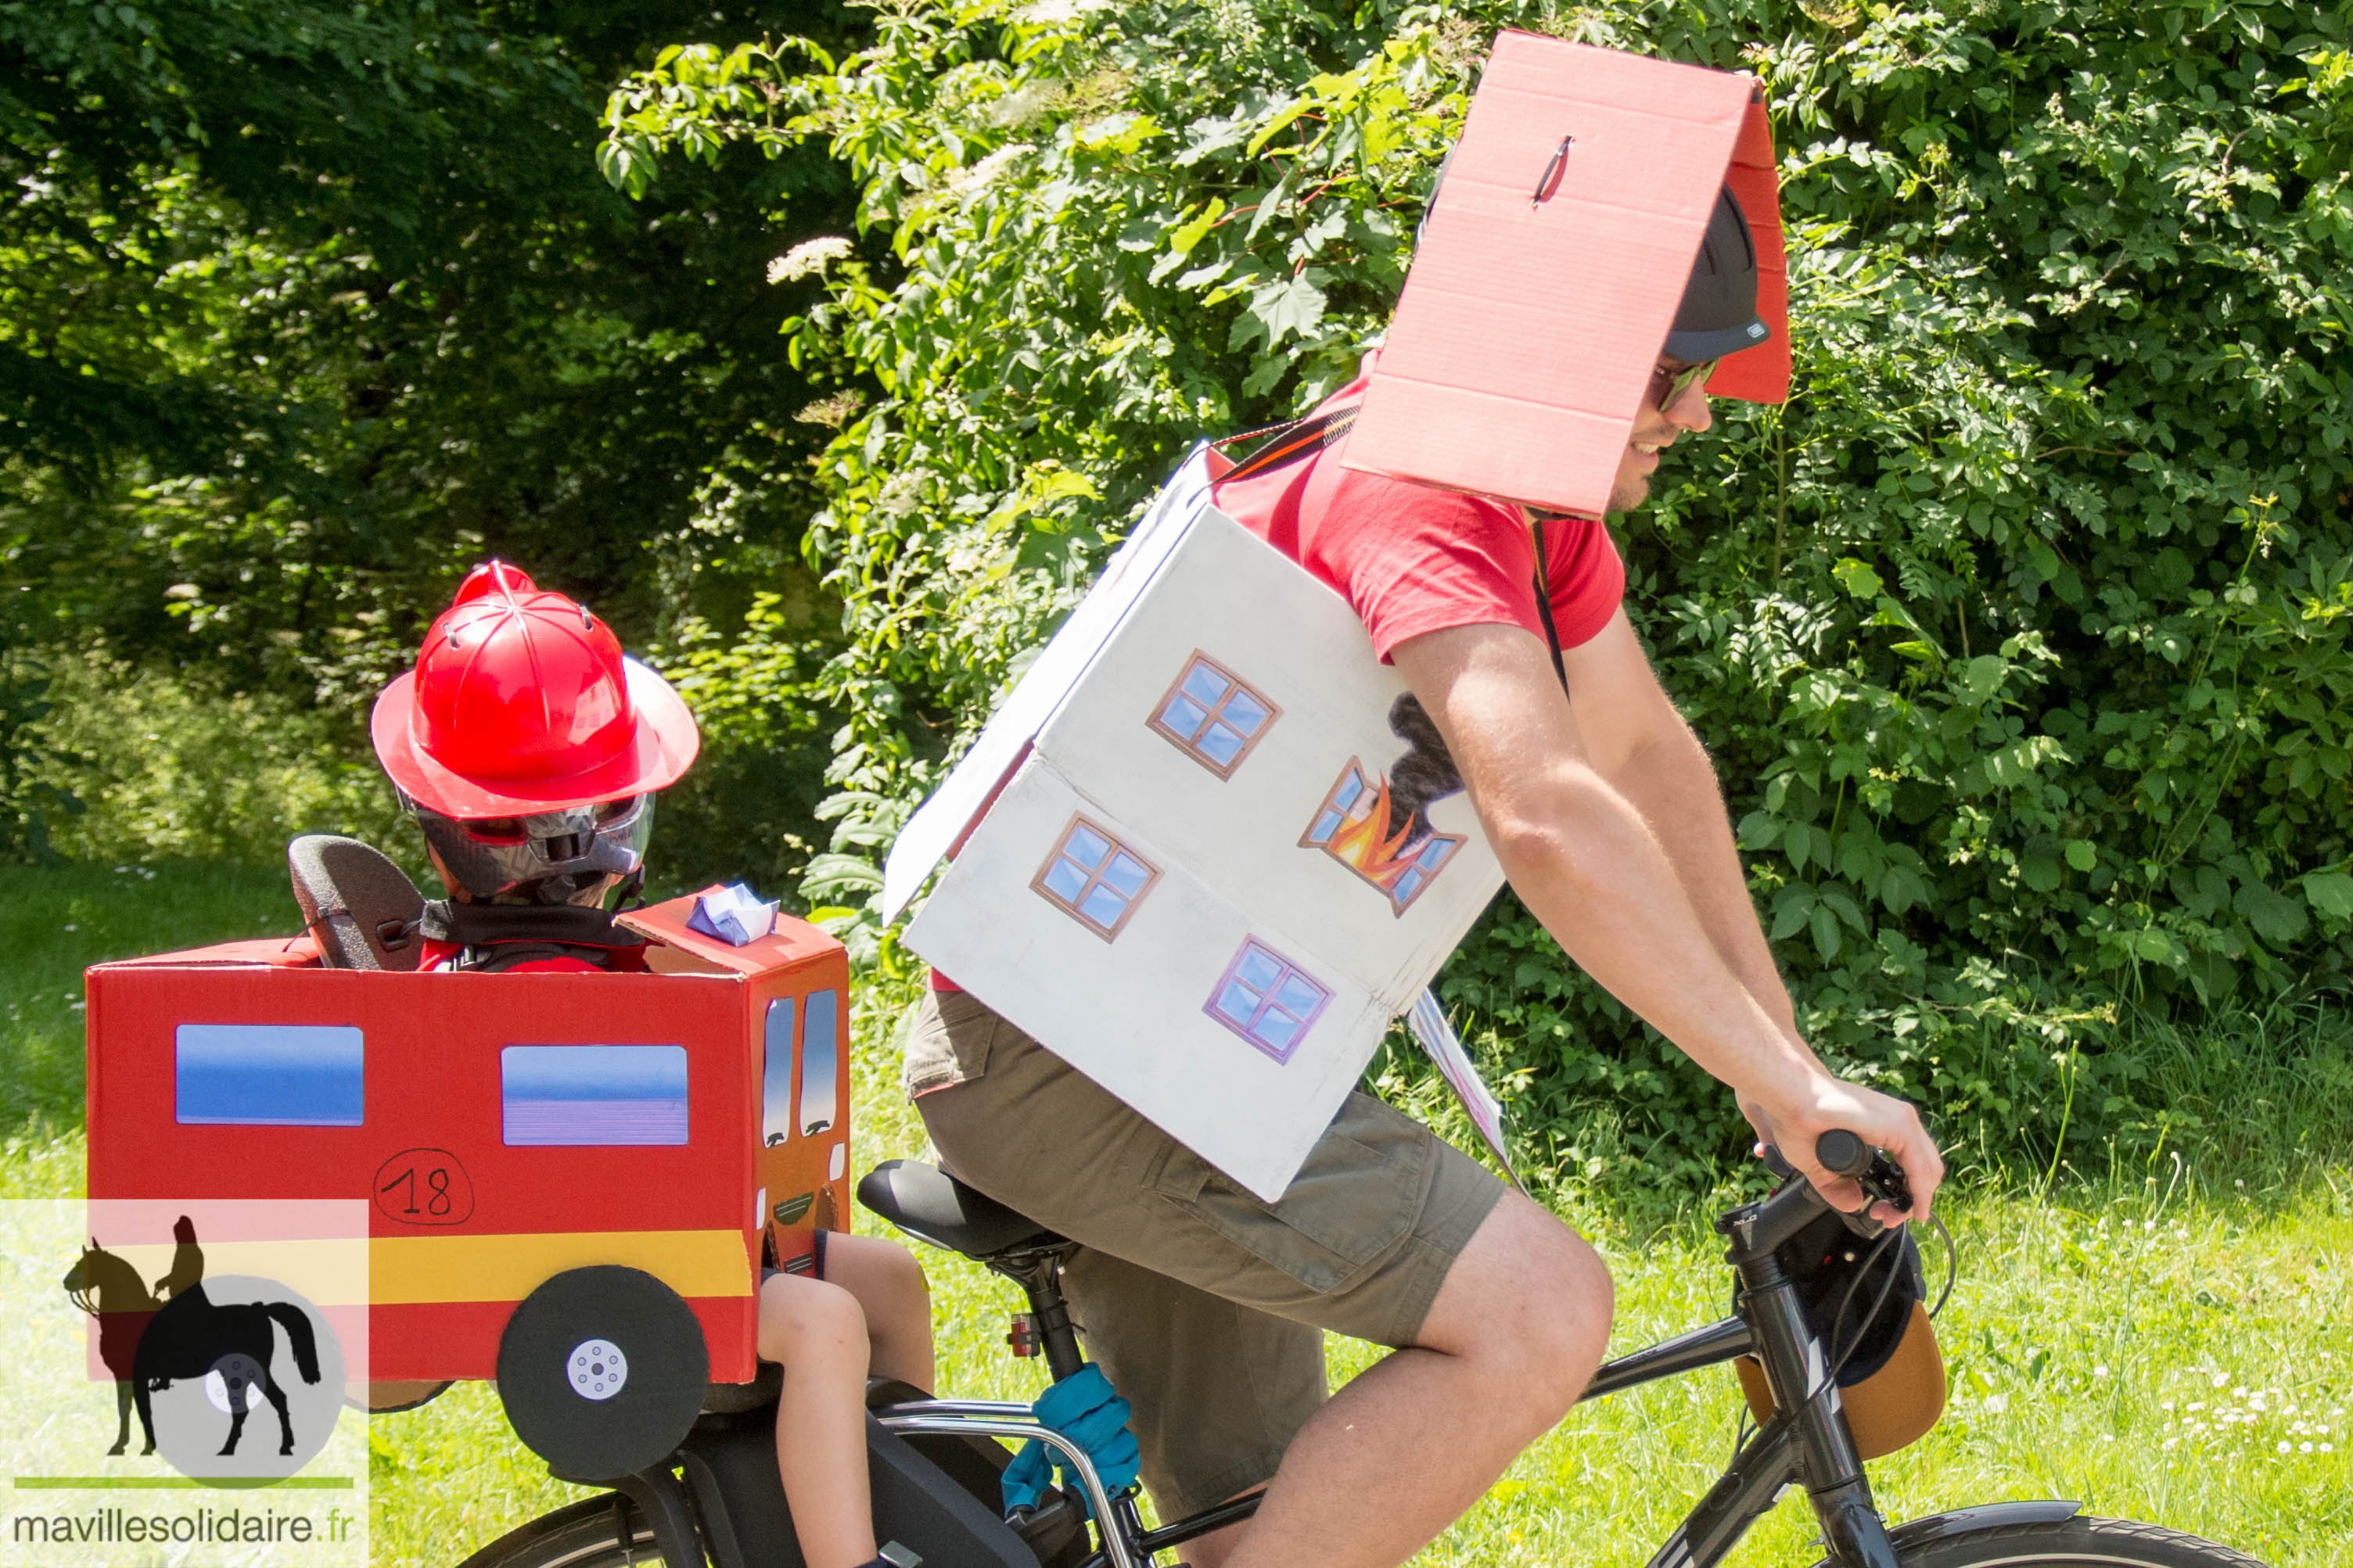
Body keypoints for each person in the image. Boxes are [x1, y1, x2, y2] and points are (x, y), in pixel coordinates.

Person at [900, 185, 1947, 1568]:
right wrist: (1787, 1084)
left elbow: (1644, 758)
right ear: (1564, 359)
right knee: (1543, 1311)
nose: (1697, 414)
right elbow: (1552, 812)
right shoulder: (1423, 491)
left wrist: (1781, 1066)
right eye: (1673, 375)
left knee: (1262, 1531)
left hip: (1175, 1040)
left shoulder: (1524, 495)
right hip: (1086, 1055)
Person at [370, 561, 936, 1568]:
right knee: (822, 1324)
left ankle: (916, 1511)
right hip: (572, 1269)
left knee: (885, 1280)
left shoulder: (491, 958)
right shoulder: (549, 991)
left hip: (627, 1244)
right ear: (618, 816)